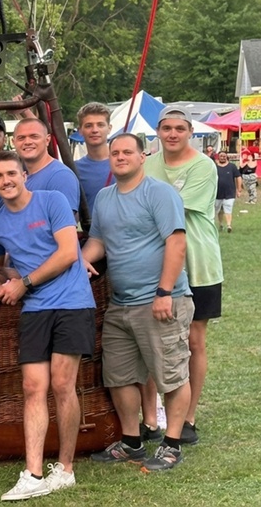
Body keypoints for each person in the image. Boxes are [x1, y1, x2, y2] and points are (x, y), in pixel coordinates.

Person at [0, 150, 96, 501]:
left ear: (24, 175)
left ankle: (64, 468)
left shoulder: (53, 201)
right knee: (33, 387)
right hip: (34, 310)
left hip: (72, 302)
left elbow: (67, 254)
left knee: (63, 384)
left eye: (11, 174)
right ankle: (32, 473)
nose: (6, 181)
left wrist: (25, 283)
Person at [83, 133, 192, 473]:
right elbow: (99, 241)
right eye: (115, 153)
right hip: (121, 304)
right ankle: (131, 442)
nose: (120, 157)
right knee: (118, 375)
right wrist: (79, 261)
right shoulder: (104, 197)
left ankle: (172, 445)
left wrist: (164, 292)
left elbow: (176, 243)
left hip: (161, 300)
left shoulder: (158, 193)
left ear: (143, 156)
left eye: (127, 151)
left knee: (170, 373)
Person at [144, 106, 222, 446]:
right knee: (150, 341)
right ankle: (151, 417)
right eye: (166, 128)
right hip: (153, 262)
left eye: (179, 128)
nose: (172, 134)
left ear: (190, 132)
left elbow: (171, 205)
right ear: (157, 132)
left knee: (193, 340)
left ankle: (188, 416)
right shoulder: (147, 163)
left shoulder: (204, 166)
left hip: (198, 262)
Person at [13, 118, 81, 218]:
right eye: (21, 138)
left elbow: (65, 226)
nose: (27, 142)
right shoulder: (15, 175)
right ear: (13, 142)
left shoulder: (61, 177)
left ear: (47, 140)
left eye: (34, 136)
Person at [73, 102, 115, 214]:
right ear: (80, 131)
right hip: (91, 231)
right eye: (88, 125)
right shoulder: (74, 169)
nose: (95, 130)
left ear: (109, 128)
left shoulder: (124, 162)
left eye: (100, 125)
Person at [215, 151, 241, 233]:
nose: (222, 157)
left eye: (224, 156)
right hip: (217, 193)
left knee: (228, 209)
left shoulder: (232, 167)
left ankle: (229, 225)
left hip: (230, 192)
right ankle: (220, 224)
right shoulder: (214, 167)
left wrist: (239, 189)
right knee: (219, 210)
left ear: (227, 157)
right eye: (221, 156)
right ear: (218, 157)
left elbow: (238, 177)